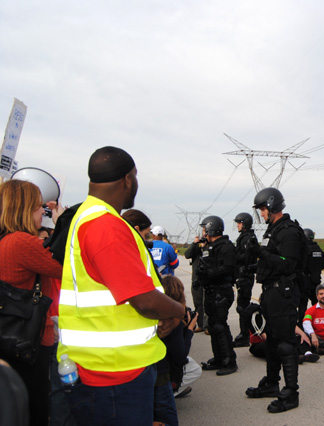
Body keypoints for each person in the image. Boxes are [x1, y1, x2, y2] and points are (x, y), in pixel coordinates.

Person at [56, 146, 185, 426]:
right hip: (114, 373)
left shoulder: (86, 215)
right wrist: (177, 310)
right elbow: (144, 300)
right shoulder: (105, 225)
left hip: (99, 366)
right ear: (128, 179)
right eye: (136, 177)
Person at [0, 179, 63, 426]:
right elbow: (67, 264)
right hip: (28, 340)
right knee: (35, 408)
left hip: (10, 335)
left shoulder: (6, 239)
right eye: (38, 207)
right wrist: (62, 224)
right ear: (24, 209)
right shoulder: (21, 242)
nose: (42, 212)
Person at [245, 187, 307, 413]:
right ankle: (272, 383)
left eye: (262, 209)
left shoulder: (288, 231)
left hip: (284, 293)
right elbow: (271, 261)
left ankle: (291, 392)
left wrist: (261, 254)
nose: (261, 213)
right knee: (270, 341)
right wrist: (255, 261)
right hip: (271, 292)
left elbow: (287, 264)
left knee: (285, 342)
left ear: (272, 206)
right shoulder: (273, 230)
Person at [154, 275, 201, 426]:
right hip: (164, 370)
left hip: (153, 361)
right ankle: (173, 390)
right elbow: (181, 356)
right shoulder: (173, 319)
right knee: (195, 369)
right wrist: (189, 330)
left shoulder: (153, 312)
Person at [196, 215, 238, 376]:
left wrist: (209, 273)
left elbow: (227, 268)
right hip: (211, 290)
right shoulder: (210, 246)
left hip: (222, 290)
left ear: (211, 228)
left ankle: (229, 360)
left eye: (205, 229)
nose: (203, 232)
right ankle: (219, 358)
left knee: (220, 325)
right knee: (213, 325)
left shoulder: (226, 246)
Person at [233, 212, 258, 347]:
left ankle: (246, 334)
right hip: (243, 274)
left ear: (245, 224)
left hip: (245, 275)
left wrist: (233, 255)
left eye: (239, 223)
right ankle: (244, 332)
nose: (237, 225)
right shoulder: (244, 237)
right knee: (241, 304)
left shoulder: (247, 238)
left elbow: (246, 257)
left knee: (243, 306)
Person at [184, 226, 207, 333]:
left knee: (207, 303)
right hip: (196, 279)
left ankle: (208, 326)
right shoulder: (197, 246)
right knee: (198, 303)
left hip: (207, 279)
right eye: (203, 231)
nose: (205, 233)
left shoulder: (212, 246)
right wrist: (195, 244)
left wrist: (206, 246)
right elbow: (187, 254)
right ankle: (201, 324)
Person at [300, 228, 324, 318]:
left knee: (302, 305)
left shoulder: (304, 250)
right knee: (317, 304)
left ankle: (302, 325)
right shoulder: (319, 250)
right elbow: (323, 265)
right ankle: (319, 323)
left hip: (305, 281)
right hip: (316, 280)